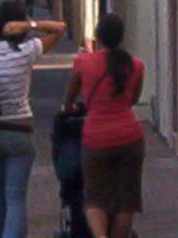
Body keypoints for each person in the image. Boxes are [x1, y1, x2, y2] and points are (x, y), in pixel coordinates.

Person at [0, 1, 66, 238]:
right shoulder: (26, 51)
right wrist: (29, 24)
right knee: (16, 198)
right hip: (19, 131)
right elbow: (59, 28)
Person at [62, 14, 145, 238]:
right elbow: (133, 99)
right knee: (126, 200)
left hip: (96, 138)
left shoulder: (84, 62)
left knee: (95, 197)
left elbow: (69, 96)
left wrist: (68, 108)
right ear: (121, 37)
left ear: (98, 36)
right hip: (130, 136)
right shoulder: (136, 65)